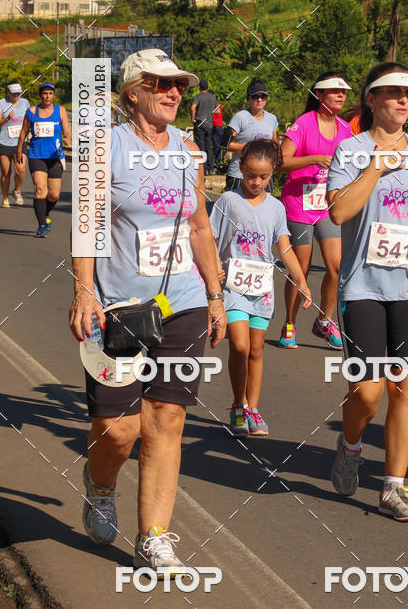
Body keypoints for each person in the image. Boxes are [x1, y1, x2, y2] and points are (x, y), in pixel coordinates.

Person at [69, 48, 226, 572]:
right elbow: (87, 223)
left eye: (178, 84)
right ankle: (100, 483)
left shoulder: (187, 149)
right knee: (119, 428)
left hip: (181, 303)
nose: (173, 92)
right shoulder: (104, 146)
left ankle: (154, 536)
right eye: (159, 83)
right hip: (119, 306)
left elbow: (199, 226)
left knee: (168, 417)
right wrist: (84, 290)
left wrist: (214, 294)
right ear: (132, 91)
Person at [326, 62, 408, 521]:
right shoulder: (349, 150)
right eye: (393, 93)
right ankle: (350, 445)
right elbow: (337, 212)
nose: (404, 100)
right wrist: (374, 167)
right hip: (364, 284)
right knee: (368, 392)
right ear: (371, 99)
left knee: (404, 387)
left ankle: (394, 486)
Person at [210, 140, 311, 437]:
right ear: (241, 168)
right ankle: (238, 404)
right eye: (251, 175)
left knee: (256, 350)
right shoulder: (228, 201)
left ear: (272, 175)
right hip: (232, 287)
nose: (256, 182)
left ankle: (252, 407)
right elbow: (211, 240)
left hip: (261, 290)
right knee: (239, 346)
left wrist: (301, 281)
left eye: (264, 177)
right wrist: (212, 271)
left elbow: (284, 248)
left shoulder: (277, 207)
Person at [277, 71, 352, 349]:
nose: (340, 96)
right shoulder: (304, 123)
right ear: (319, 95)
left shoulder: (346, 128)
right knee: (302, 268)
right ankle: (289, 323)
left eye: (343, 92)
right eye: (334, 91)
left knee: (336, 267)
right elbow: (280, 161)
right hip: (299, 203)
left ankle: (324, 321)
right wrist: (314, 159)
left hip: (328, 205)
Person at [16, 82, 71, 237]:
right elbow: (23, 132)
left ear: (53, 95)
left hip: (55, 156)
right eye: (45, 93)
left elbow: (67, 130)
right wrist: (19, 150)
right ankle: (41, 224)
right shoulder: (32, 111)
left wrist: (67, 138)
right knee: (40, 189)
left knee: (54, 195)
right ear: (41, 95)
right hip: (36, 155)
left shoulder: (60, 110)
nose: (47, 96)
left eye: (50, 93)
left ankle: (43, 214)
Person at [223, 77, 278, 192]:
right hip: (239, 175)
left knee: (265, 209)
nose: (259, 100)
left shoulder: (272, 119)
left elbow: (274, 145)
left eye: (263, 96)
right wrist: (250, 148)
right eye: (255, 96)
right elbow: (224, 144)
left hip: (264, 176)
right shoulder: (240, 117)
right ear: (248, 98)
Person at [0, 81, 29, 208]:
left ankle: (17, 191)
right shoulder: (2, 103)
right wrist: (7, 118)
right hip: (3, 142)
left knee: (21, 169)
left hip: (20, 141)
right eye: (13, 93)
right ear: (8, 92)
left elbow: (29, 119)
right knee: (6, 172)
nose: (16, 95)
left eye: (18, 93)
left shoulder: (25, 103)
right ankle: (5, 197)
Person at [190, 79, 218, 175]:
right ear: (207, 87)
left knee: (200, 146)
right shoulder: (212, 97)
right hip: (209, 124)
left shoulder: (198, 96)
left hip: (200, 122)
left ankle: (203, 169)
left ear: (199, 87)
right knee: (208, 147)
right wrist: (209, 112)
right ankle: (210, 169)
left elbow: (192, 108)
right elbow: (217, 111)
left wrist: (193, 119)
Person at [211, 92, 224, 172]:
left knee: (217, 146)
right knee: (212, 146)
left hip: (217, 126)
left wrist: (208, 111)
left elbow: (218, 111)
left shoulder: (215, 103)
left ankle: (217, 165)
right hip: (212, 126)